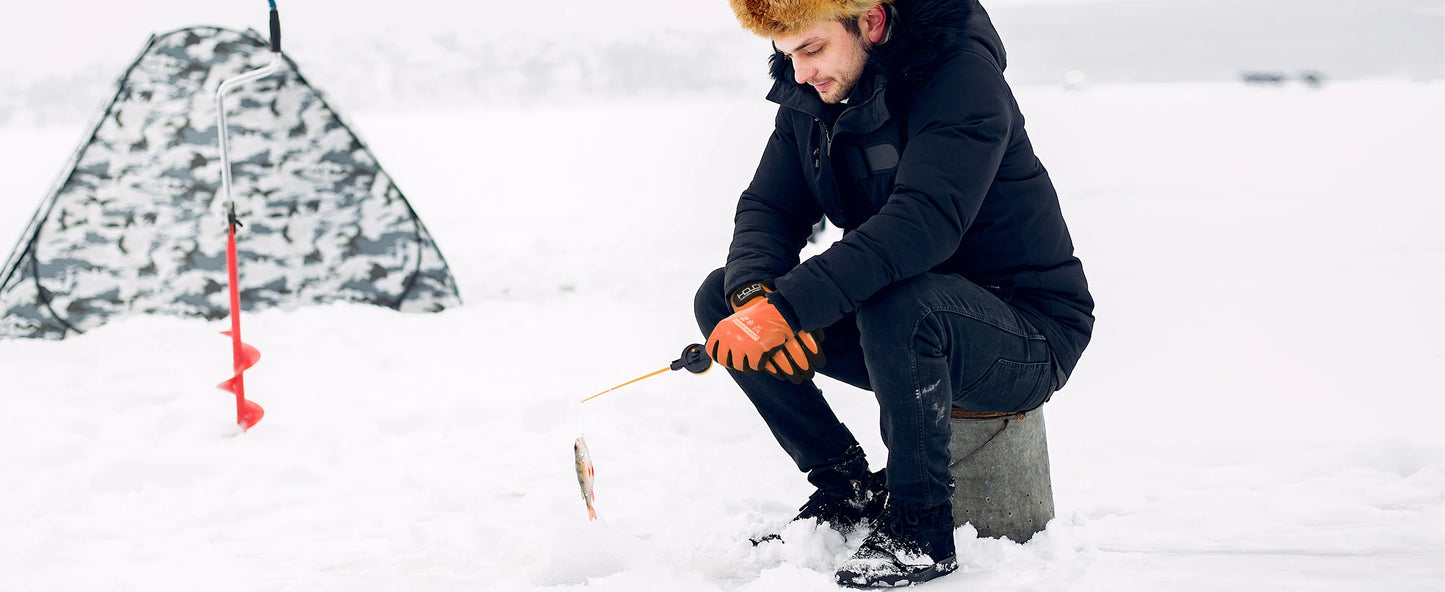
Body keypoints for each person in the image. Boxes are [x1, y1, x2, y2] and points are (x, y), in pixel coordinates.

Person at [695, 0, 1095, 587]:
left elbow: (923, 222)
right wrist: (758, 299)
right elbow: (770, 209)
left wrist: (792, 308)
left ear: (872, 23)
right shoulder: (814, 100)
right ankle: (847, 488)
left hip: (1028, 330)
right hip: (909, 320)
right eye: (786, 55)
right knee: (722, 299)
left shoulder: (960, 79)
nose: (800, 72)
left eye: (812, 50)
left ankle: (919, 526)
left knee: (903, 305)